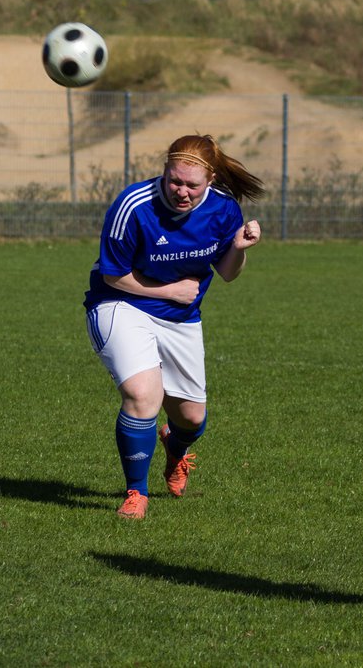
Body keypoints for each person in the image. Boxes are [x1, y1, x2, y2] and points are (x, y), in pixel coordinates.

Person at [84, 134, 263, 521]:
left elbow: (228, 274)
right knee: (142, 395)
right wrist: (171, 289)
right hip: (120, 304)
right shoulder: (133, 205)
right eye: (174, 181)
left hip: (180, 319)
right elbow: (114, 276)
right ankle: (136, 493)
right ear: (165, 171)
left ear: (210, 180)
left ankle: (175, 448)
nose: (182, 191)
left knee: (192, 419)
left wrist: (239, 249)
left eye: (191, 185)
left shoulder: (223, 210)